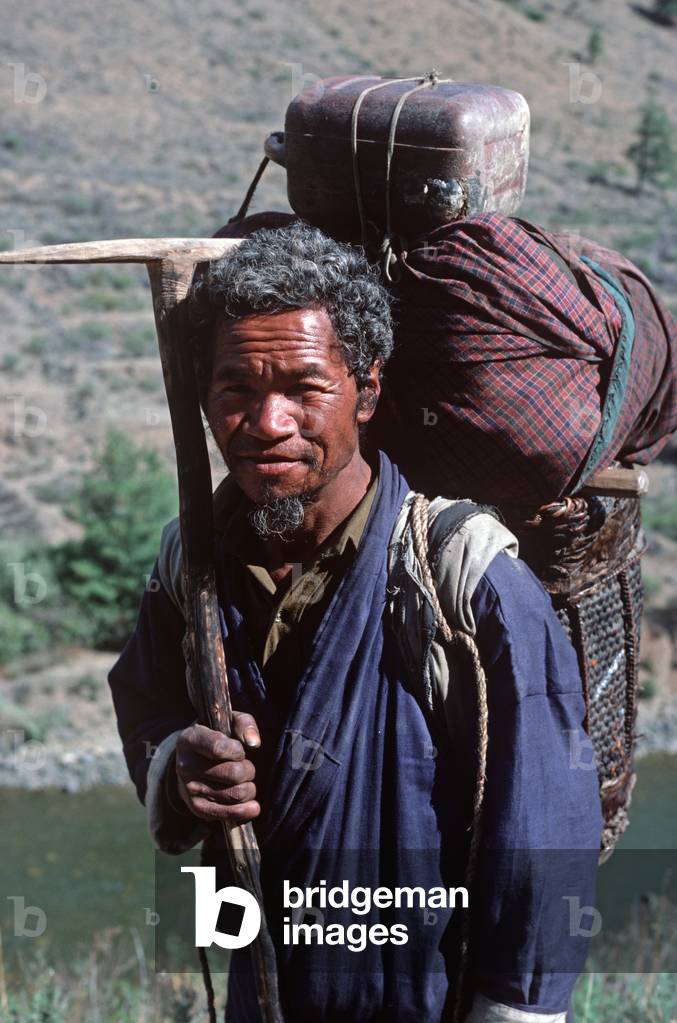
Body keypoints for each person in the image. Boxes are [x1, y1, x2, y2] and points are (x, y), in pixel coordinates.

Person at [108, 221, 603, 1023]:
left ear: (366, 389)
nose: (267, 423)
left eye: (304, 387)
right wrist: (182, 767)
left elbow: (542, 837)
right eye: (236, 390)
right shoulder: (189, 570)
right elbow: (147, 702)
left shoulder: (467, 583)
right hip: (263, 988)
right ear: (203, 397)